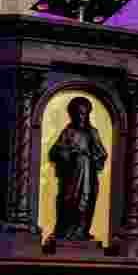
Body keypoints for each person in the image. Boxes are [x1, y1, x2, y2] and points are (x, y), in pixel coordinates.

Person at [49, 96, 108, 240]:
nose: (81, 117)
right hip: (72, 176)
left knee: (86, 200)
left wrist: (89, 156)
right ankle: (66, 231)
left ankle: (81, 231)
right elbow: (55, 152)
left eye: (84, 113)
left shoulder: (92, 133)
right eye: (78, 113)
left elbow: (101, 153)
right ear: (72, 114)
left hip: (89, 175)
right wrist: (69, 154)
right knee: (69, 200)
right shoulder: (68, 132)